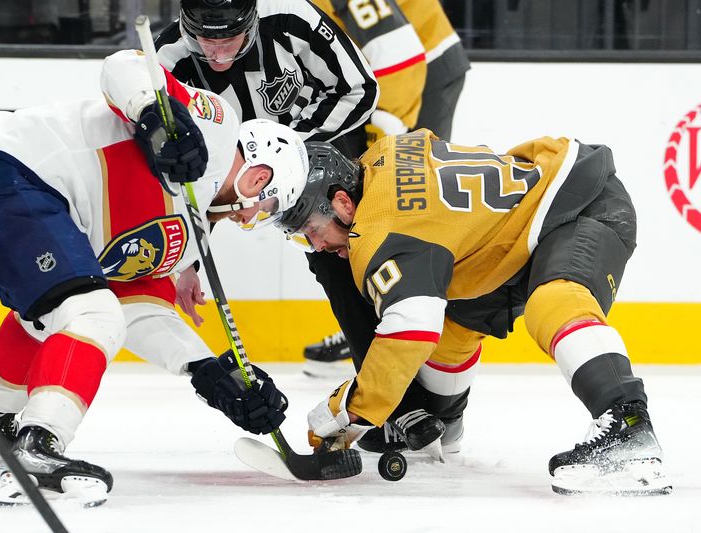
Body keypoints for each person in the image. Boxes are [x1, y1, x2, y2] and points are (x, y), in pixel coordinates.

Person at [0, 72, 308, 505]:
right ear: (259, 178)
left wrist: (208, 371)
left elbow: (138, 306)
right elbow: (126, 64)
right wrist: (154, 114)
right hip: (10, 171)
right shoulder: (217, 124)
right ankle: (38, 446)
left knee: (58, 314)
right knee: (91, 314)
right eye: (266, 209)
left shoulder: (188, 233)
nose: (250, 220)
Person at [276, 129, 671, 495]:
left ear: (343, 202)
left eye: (311, 229)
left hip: (577, 205)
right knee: (451, 334)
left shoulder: (379, 233)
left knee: (554, 302)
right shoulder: (380, 157)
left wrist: (352, 407)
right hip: (512, 237)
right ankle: (444, 427)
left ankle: (629, 429)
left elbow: (409, 331)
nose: (316, 245)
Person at [100, 0, 380, 384]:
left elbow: (360, 89)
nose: (216, 53)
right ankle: (383, 390)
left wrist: (289, 147)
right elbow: (189, 178)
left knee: (350, 253)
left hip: (319, 152)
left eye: (229, 39)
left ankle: (395, 387)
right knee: (327, 257)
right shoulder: (169, 57)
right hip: (237, 168)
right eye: (204, 39)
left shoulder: (290, 16)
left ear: (251, 20)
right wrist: (188, 263)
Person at [302, 0, 471, 377]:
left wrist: (389, 133)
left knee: (404, 203)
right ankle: (386, 318)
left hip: (420, 66)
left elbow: (396, 50)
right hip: (382, 76)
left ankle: (409, 325)